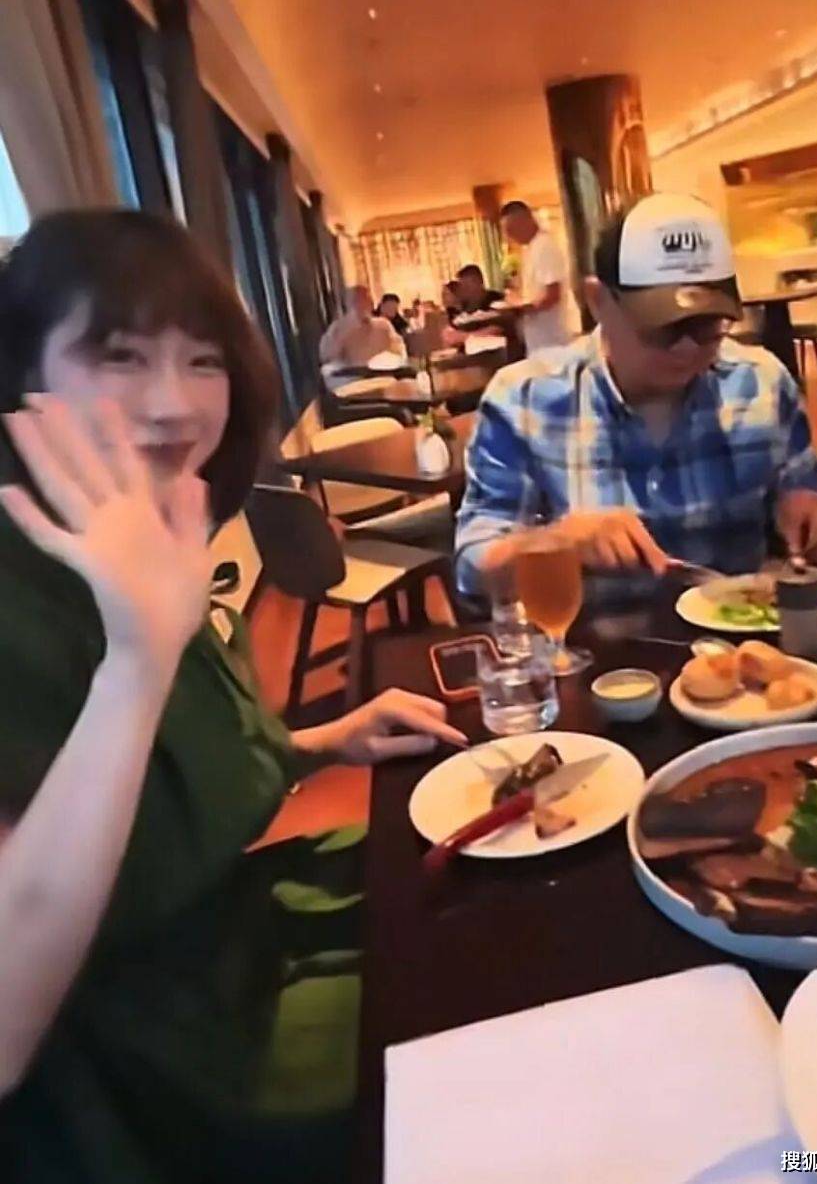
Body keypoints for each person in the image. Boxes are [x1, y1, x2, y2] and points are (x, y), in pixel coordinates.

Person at [0, 209, 467, 1184]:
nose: (175, 404)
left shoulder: (140, 524)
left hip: (249, 942)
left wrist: (326, 737)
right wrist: (136, 662)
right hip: (142, 1082)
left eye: (203, 360)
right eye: (120, 356)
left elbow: (161, 775)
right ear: (20, 369)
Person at [456, 193, 817, 608]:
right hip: (595, 641)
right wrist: (558, 543)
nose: (687, 348)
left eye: (707, 326)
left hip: (743, 638)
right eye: (663, 327)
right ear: (598, 301)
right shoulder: (525, 399)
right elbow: (472, 568)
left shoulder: (762, 384)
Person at [499, 200, 572, 354]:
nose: (510, 236)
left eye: (511, 230)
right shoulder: (531, 248)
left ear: (526, 219)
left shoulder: (544, 246)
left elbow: (553, 294)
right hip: (538, 340)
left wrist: (522, 309)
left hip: (551, 340)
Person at [319, 283, 404, 369]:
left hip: (383, 372)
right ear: (350, 304)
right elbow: (326, 357)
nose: (368, 303)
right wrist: (344, 335)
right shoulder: (338, 328)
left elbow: (399, 349)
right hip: (353, 374)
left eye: (369, 298)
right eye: (361, 300)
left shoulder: (383, 325)